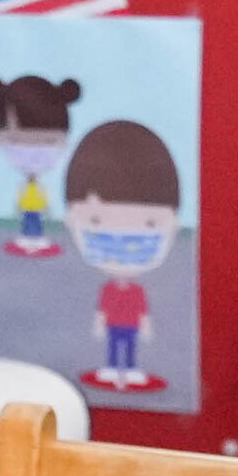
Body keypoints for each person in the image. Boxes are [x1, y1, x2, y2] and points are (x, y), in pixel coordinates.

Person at [66, 117, 183, 397]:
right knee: (112, 345)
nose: (122, 239)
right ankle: (112, 368)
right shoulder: (107, 289)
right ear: (70, 221)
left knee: (127, 346)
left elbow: (142, 312)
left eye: (150, 224)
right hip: (114, 325)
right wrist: (98, 323)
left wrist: (145, 327)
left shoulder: (138, 290)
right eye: (96, 220)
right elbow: (102, 310)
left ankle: (129, 369)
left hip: (130, 327)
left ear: (174, 227)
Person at [0, 71, 81, 258]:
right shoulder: (25, 185)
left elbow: (42, 199)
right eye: (15, 142)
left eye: (49, 143)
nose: (33, 156)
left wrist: (47, 210)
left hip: (35, 210)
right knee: (29, 225)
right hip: (28, 211)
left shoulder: (38, 186)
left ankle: (36, 241)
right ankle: (28, 241)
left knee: (35, 225)